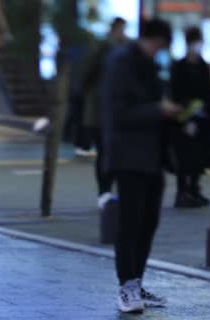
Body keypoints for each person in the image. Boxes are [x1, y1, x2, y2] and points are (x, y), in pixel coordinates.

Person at [101, 19, 181, 313]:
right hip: (128, 155)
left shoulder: (151, 65)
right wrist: (158, 109)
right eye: (158, 45)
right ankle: (126, 286)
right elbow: (118, 112)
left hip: (152, 156)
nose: (159, 51)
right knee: (130, 224)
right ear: (149, 39)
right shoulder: (121, 63)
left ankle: (137, 282)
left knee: (149, 223)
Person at [81, 17, 128, 209]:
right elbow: (88, 74)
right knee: (106, 152)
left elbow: (86, 75)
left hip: (109, 110)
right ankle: (105, 191)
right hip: (104, 110)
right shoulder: (106, 47)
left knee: (107, 152)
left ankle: (106, 191)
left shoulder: (122, 47)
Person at [170, 26, 210, 208]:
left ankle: (194, 189)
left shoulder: (203, 65)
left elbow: (208, 93)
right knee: (184, 157)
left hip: (202, 119)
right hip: (184, 119)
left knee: (200, 156)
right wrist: (186, 117)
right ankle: (182, 192)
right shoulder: (180, 66)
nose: (198, 45)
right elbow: (176, 93)